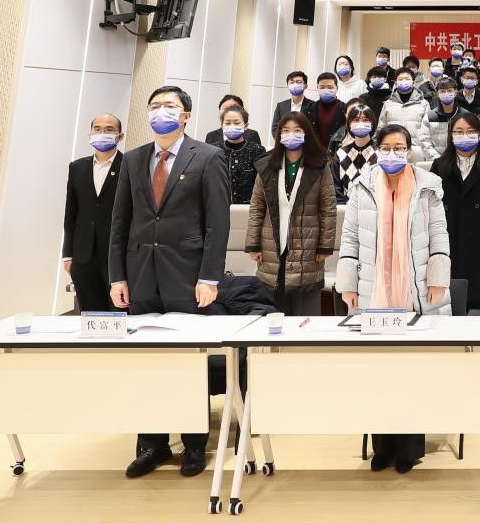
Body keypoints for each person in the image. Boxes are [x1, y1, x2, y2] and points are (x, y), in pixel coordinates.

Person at [108, 85, 229, 478]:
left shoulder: (208, 156)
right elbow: (120, 222)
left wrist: (209, 276)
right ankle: (151, 445)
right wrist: (117, 276)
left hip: (188, 276)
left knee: (187, 362)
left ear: (185, 115)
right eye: (155, 106)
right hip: (141, 273)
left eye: (170, 106)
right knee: (147, 363)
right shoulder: (132, 159)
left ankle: (193, 445)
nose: (161, 111)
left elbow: (217, 224)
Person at [337, 123, 451, 473]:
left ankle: (409, 449)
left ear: (409, 150)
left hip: (413, 288)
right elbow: (350, 238)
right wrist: (348, 283)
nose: (392, 153)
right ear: (376, 150)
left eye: (399, 147)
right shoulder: (361, 186)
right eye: (386, 147)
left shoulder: (428, 187)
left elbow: (438, 234)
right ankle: (383, 447)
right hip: (374, 289)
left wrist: (437, 277)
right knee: (378, 371)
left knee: (411, 370)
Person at [245, 112, 335, 315]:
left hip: (307, 244)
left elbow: (328, 209)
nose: (290, 135)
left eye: (297, 130)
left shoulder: (320, 165)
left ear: (306, 133)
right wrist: (253, 244)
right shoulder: (266, 164)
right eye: (285, 131)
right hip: (271, 243)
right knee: (273, 312)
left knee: (306, 314)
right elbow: (257, 206)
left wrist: (325, 246)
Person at [431, 113, 480, 313]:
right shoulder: (439, 165)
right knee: (450, 299)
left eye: (470, 131)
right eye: (458, 132)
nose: (464, 136)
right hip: (448, 240)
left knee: (479, 299)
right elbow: (429, 207)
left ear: (479, 135)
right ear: (451, 135)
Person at [63, 114, 125, 311]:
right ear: (90, 134)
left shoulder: (129, 165)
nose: (102, 133)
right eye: (97, 129)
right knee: (89, 313)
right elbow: (71, 212)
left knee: (120, 313)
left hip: (117, 256)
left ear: (120, 136)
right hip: (83, 255)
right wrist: (67, 253)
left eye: (109, 129)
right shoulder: (77, 167)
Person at [379, 68, 438, 162]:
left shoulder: (423, 104)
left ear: (413, 81)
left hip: (417, 150)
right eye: (400, 79)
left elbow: (429, 131)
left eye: (407, 79)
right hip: (393, 150)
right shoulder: (388, 104)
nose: (404, 81)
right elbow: (381, 128)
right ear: (395, 82)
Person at [214, 105, 266, 204]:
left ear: (246, 125)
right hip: (219, 206)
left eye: (237, 123)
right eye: (227, 123)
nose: (232, 126)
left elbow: (262, 184)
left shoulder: (257, 150)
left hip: (248, 208)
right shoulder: (214, 150)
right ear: (222, 125)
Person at [333, 103, 379, 203]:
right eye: (356, 120)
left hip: (374, 206)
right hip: (346, 207)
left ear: (372, 124)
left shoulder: (380, 152)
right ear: (349, 124)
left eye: (365, 120)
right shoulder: (341, 153)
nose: (360, 123)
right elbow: (336, 187)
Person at [270, 71, 316, 141]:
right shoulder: (281, 106)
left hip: (307, 145)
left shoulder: (313, 106)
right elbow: (275, 128)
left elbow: (315, 128)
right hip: (284, 143)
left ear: (305, 86)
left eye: (298, 82)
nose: (295, 84)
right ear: (288, 86)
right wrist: (282, 141)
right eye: (292, 82)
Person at [311, 72, 346, 151]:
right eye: (322, 87)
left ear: (337, 88)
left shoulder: (344, 108)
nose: (326, 90)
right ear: (317, 88)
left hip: (337, 152)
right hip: (314, 153)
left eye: (330, 87)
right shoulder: (310, 109)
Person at [426, 77, 461, 155]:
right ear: (437, 94)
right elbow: (425, 142)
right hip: (436, 159)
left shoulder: (465, 116)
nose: (446, 94)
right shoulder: (429, 117)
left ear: (455, 92)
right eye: (442, 91)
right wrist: (437, 159)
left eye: (449, 90)